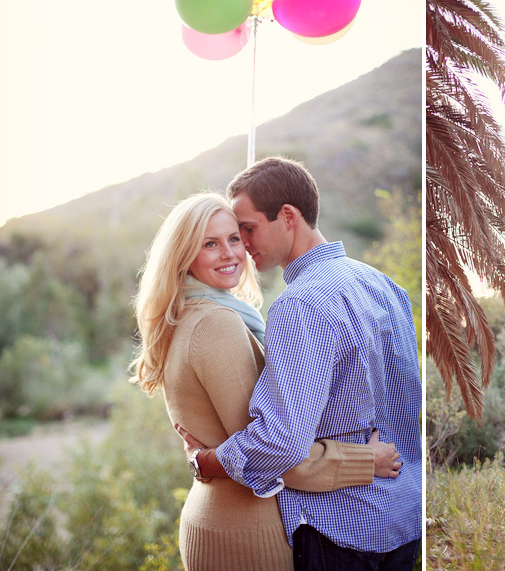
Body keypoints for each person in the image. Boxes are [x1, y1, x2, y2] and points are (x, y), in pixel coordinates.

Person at [131, 192, 401, 571]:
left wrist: (205, 461)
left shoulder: (196, 313)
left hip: (225, 519)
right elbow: (272, 453)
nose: (229, 253)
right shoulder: (215, 323)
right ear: (185, 254)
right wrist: (364, 461)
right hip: (245, 531)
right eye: (210, 244)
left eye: (235, 239)